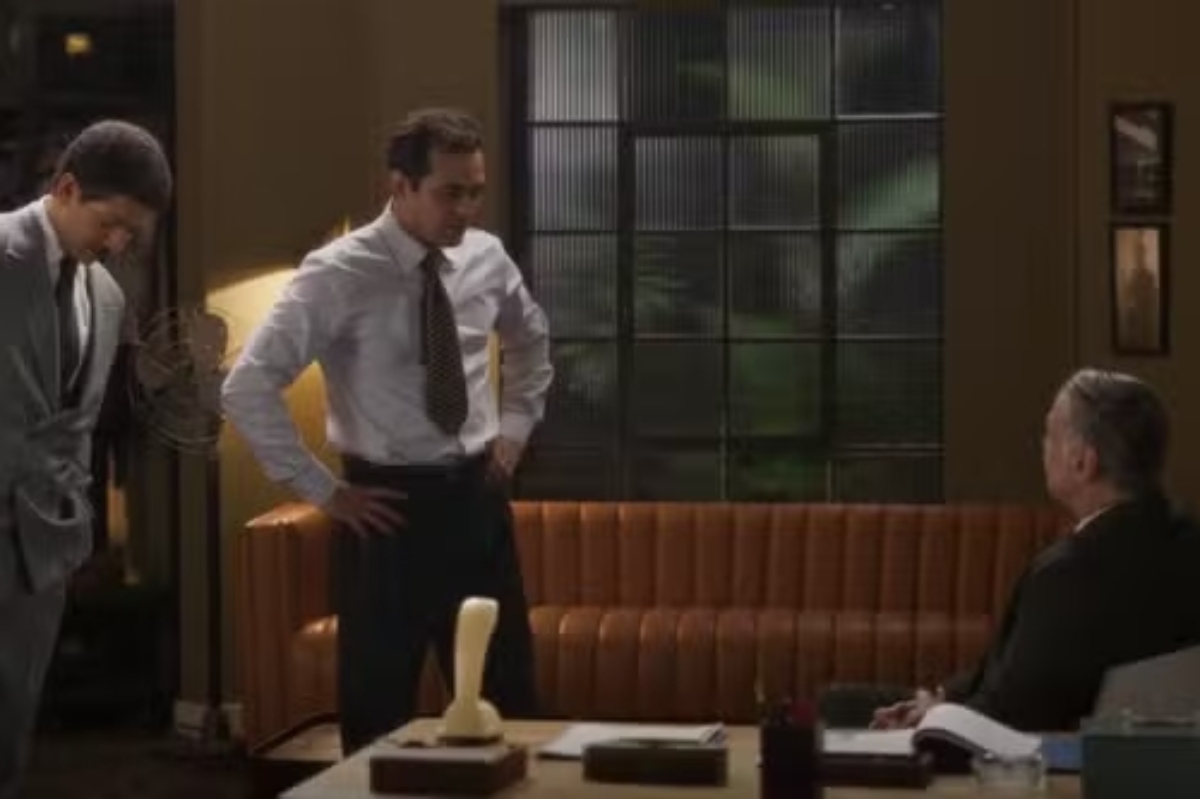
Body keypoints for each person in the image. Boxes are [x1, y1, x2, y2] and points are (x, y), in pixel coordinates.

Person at [221, 107, 553, 753]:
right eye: (450, 193)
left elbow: (531, 341)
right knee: (377, 711)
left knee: (510, 701)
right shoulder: (336, 272)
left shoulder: (486, 257)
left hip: (477, 498)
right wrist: (323, 491)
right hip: (385, 511)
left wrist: (513, 434)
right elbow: (247, 385)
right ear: (399, 185)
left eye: (476, 191)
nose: (467, 210)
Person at [866, 368, 1200, 732]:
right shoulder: (1186, 541)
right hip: (1162, 754)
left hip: (1038, 755)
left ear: (1082, 462)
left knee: (845, 705)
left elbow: (1011, 714)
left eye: (1051, 434)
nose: (1043, 446)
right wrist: (944, 696)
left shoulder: (1069, 574)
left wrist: (936, 715)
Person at [0, 120, 172, 797]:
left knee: (9, 738)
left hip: (40, 554)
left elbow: (77, 426)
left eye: (134, 233)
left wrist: (71, 524)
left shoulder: (107, 294)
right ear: (67, 188)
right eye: (111, 223)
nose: (119, 243)